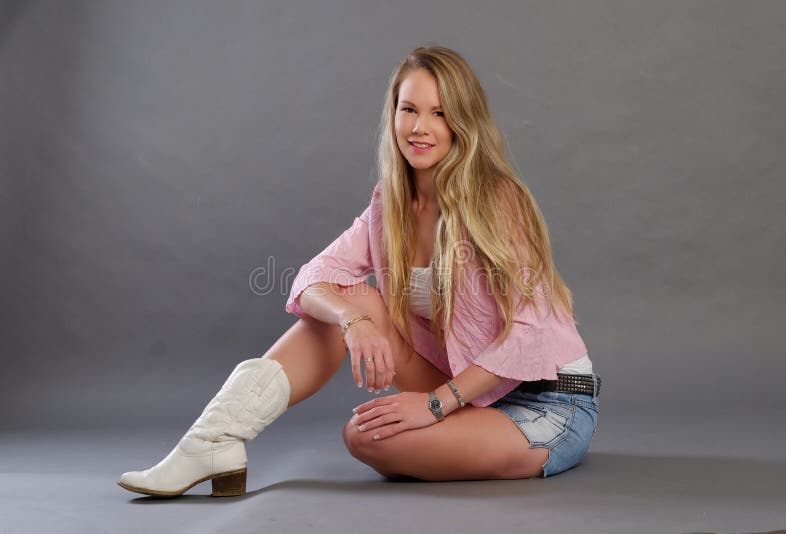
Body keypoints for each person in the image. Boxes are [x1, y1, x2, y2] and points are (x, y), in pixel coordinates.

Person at [117, 45, 601, 498]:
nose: (420, 127)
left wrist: (436, 404)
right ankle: (213, 440)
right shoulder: (389, 206)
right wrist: (354, 322)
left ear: (463, 122)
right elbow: (312, 278)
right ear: (393, 115)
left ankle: (214, 445)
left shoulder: (498, 200)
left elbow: (527, 336)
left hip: (548, 401)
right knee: (353, 302)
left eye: (439, 112)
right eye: (409, 109)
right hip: (473, 391)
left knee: (365, 438)